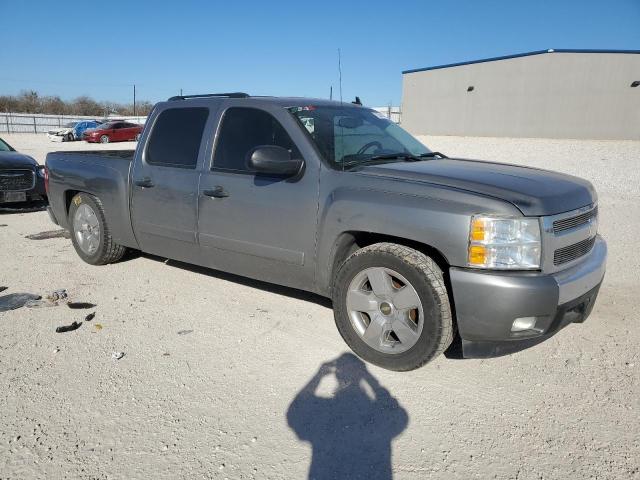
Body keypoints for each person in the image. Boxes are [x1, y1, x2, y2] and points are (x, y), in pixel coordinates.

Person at [287, 353, 408, 479]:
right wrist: (369, 377)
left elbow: (297, 409)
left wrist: (319, 375)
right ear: (359, 375)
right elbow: (397, 414)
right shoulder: (375, 415)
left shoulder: (325, 412)